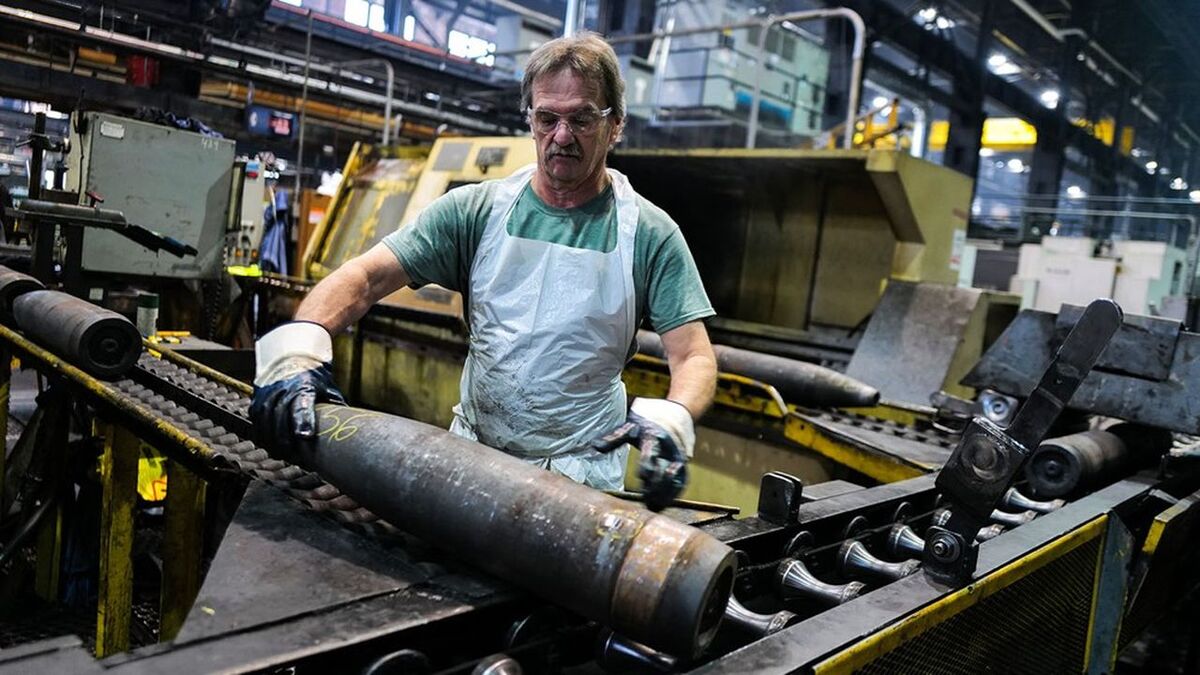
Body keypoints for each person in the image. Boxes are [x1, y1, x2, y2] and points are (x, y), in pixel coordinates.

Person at [251, 32, 717, 509]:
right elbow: (365, 277)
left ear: (614, 124)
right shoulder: (477, 211)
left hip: (580, 478)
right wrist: (298, 353)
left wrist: (673, 419)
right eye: (546, 117)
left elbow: (693, 357)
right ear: (530, 119)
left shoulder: (649, 234)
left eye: (580, 118)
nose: (561, 136)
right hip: (473, 459)